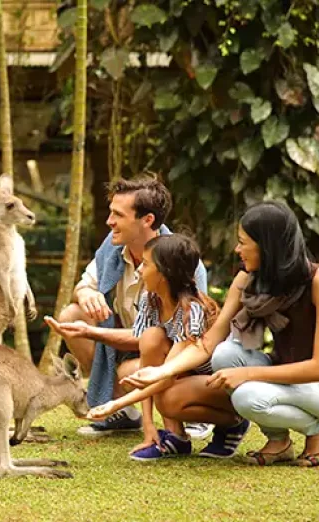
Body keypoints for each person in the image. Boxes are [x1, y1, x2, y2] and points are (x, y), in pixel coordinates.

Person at [124, 201, 319, 466]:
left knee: (247, 397)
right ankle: (279, 441)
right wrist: (162, 372)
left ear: (268, 246)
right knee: (225, 354)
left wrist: (247, 374)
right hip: (287, 374)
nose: (237, 249)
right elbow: (209, 342)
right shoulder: (248, 279)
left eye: (243, 242)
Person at [45, 176, 210, 438]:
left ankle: (189, 410)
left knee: (137, 361)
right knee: (73, 314)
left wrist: (91, 332)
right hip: (132, 340)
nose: (109, 222)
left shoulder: (180, 259)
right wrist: (88, 293)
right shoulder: (112, 249)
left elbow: (184, 338)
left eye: (118, 215)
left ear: (148, 220)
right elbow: (85, 285)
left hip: (174, 351)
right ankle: (123, 413)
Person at [81, 234, 245, 460]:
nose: (139, 271)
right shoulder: (152, 299)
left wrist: (115, 404)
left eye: (146, 265)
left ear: (165, 272)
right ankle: (174, 437)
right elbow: (148, 355)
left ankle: (234, 422)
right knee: (149, 339)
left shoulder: (191, 310)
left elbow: (165, 376)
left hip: (220, 383)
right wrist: (148, 428)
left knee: (168, 398)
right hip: (184, 377)